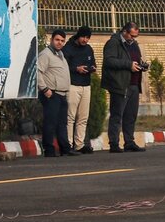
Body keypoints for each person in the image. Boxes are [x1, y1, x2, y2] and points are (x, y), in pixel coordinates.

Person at [103, 21, 146, 153]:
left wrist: (141, 65)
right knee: (117, 115)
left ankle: (129, 141)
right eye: (131, 36)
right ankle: (114, 143)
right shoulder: (114, 43)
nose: (133, 39)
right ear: (125, 32)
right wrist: (128, 65)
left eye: (135, 37)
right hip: (120, 84)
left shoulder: (134, 44)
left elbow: (136, 59)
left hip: (134, 84)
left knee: (130, 115)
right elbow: (109, 61)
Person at [1, 0, 37, 100]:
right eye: (11, 11)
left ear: (30, 7)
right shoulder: (14, 64)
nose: (15, 21)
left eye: (18, 8)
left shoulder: (35, 63)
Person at [36, 29, 75, 156]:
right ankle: (49, 150)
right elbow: (37, 72)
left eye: (62, 41)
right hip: (51, 94)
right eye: (57, 40)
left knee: (62, 124)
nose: (60, 43)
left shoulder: (60, 54)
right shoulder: (46, 54)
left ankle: (65, 149)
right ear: (52, 39)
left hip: (62, 94)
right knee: (50, 123)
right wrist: (45, 89)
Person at [63, 25, 97, 153]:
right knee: (70, 117)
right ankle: (69, 144)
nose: (85, 40)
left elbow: (93, 63)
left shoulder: (88, 49)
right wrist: (76, 69)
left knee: (83, 117)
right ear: (78, 35)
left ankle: (80, 144)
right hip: (73, 85)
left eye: (87, 37)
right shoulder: (68, 48)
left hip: (86, 85)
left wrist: (92, 68)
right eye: (83, 37)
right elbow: (64, 66)